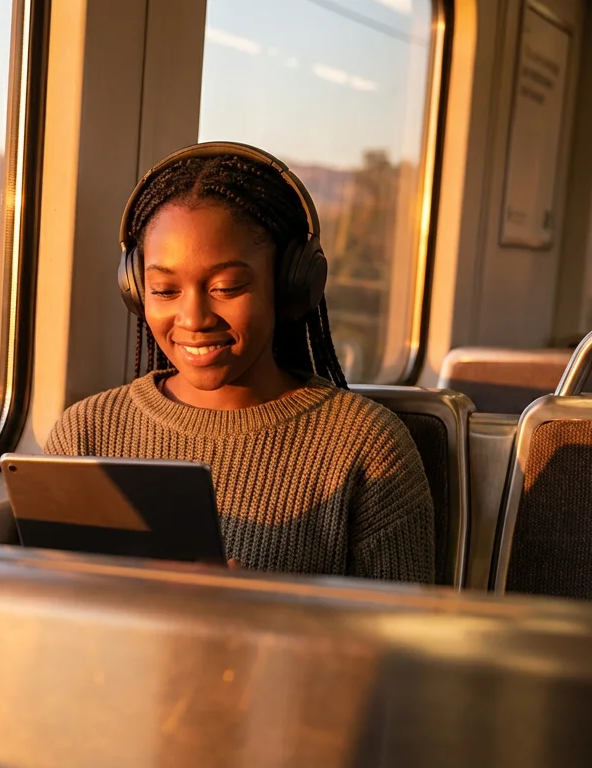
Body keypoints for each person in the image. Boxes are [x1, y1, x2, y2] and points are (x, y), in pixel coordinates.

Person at [44, 142, 434, 584]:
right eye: (165, 291)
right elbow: (44, 622)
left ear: (290, 285)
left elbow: (397, 644)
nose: (193, 319)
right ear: (135, 291)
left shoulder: (366, 446)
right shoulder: (86, 433)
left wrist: (248, 619)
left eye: (227, 287)